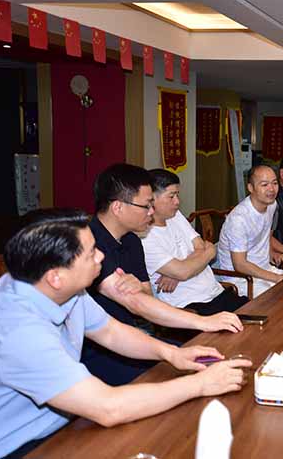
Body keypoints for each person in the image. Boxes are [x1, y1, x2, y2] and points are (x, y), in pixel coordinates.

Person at [0, 209, 251, 459]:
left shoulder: (58, 288)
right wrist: (201, 384)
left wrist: (172, 353)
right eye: (91, 253)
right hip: (13, 447)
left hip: (62, 423)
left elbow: (111, 332)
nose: (101, 256)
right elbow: (107, 407)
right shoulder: (17, 329)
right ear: (55, 276)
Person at [83, 163, 242, 386]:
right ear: (118, 207)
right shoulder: (91, 243)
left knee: (212, 359)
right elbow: (136, 304)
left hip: (129, 337)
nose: (151, 212)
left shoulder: (131, 241)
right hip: (98, 350)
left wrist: (138, 290)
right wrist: (203, 322)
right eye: (146, 205)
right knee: (188, 375)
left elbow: (145, 296)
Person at [141, 168, 247, 314]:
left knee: (263, 312)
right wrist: (184, 270)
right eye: (171, 196)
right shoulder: (145, 237)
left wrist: (181, 271)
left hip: (217, 293)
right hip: (191, 306)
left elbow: (206, 248)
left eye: (177, 195)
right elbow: (188, 267)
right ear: (151, 198)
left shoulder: (175, 215)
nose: (177, 202)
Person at [215, 165, 283, 297]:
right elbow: (240, 264)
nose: (271, 189)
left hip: (264, 269)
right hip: (240, 278)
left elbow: (264, 234)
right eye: (264, 184)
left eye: (275, 183)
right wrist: (276, 278)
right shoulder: (238, 219)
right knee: (277, 298)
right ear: (250, 188)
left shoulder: (272, 205)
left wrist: (271, 251)